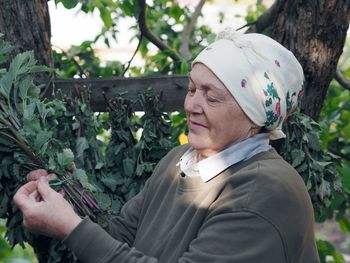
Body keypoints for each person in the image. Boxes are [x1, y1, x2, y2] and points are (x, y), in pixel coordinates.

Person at [13, 28, 320, 262]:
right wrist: (64, 207)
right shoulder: (182, 161)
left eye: (211, 97)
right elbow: (122, 238)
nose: (192, 105)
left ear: (254, 116)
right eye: (191, 89)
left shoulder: (265, 192)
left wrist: (71, 228)